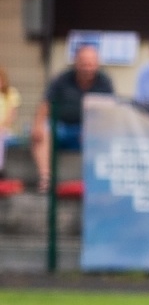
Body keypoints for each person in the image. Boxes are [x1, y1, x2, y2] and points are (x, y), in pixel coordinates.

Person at [30, 43, 114, 193]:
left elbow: (109, 112)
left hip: (90, 129)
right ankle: (46, 178)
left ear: (97, 64)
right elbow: (46, 103)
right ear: (76, 62)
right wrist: (37, 125)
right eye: (84, 63)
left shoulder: (104, 82)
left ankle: (97, 182)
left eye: (90, 64)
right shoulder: (62, 79)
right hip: (62, 127)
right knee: (43, 130)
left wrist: (92, 128)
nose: (87, 68)